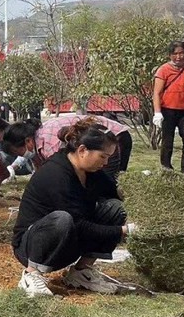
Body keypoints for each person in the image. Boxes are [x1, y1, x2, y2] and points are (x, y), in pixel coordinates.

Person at [12, 121, 132, 298]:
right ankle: (31, 274)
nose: (106, 163)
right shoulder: (56, 174)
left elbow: (116, 192)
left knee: (115, 208)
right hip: (33, 245)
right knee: (62, 219)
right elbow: (78, 224)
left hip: (68, 241)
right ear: (82, 150)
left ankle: (81, 272)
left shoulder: (91, 171)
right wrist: (124, 231)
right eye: (103, 156)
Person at [1, 113, 132, 179]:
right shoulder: (37, 147)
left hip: (114, 136)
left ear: (28, 141)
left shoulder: (49, 144)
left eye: (19, 152)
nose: (22, 156)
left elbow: (65, 171)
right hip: (95, 144)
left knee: (106, 180)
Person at [152, 41, 184, 173]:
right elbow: (157, 93)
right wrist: (157, 112)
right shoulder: (163, 70)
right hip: (168, 110)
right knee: (168, 141)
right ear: (170, 55)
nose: (179, 56)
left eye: (181, 53)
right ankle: (166, 168)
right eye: (175, 54)